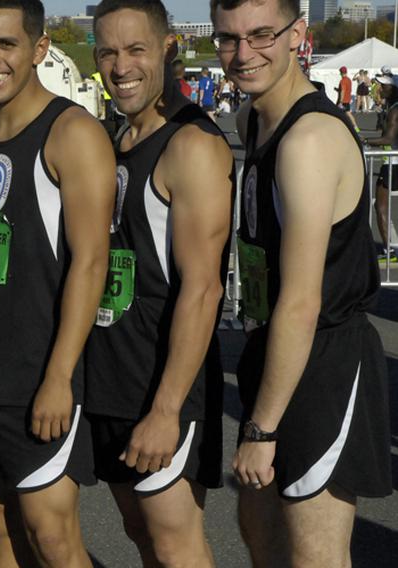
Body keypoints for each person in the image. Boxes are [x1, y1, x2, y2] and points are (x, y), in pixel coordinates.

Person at [211, 1, 392, 567]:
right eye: (228, 38)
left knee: (316, 553)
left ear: (298, 36)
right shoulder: (252, 119)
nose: (244, 54)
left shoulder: (307, 139)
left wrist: (260, 429)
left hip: (324, 356)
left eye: (261, 35)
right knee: (260, 531)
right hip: (274, 345)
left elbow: (301, 303)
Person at [0, 1, 115, 567]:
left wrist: (59, 378)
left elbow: (91, 264)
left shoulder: (73, 134)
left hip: (37, 376)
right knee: (0, 529)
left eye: (6, 45)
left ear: (40, 49)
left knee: (54, 540)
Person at [87, 1, 234, 566]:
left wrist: (166, 409)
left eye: (136, 50)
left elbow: (203, 289)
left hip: (163, 387)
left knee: (176, 546)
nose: (121, 66)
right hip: (111, 378)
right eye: (108, 52)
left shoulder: (191, 146)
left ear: (168, 47)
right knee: (141, 535)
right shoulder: (117, 137)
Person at [363, 73, 398, 261]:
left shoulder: (394, 110)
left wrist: (365, 140)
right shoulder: (391, 108)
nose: (380, 88)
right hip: (391, 161)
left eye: (384, 86)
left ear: (393, 89)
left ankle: (389, 251)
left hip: (393, 163)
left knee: (381, 206)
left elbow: (389, 138)